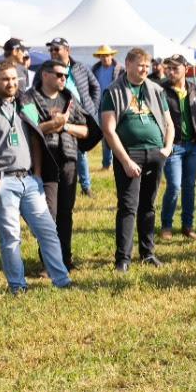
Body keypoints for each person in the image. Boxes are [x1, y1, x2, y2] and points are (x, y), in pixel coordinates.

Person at [0, 60, 72, 293]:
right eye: (5, 79)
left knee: (47, 231)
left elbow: (36, 138)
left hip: (29, 180)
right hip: (3, 181)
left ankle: (61, 280)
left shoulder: (24, 103)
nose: (11, 83)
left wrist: (37, 174)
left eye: (13, 78)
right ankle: (17, 286)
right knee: (11, 236)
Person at [100, 47, 174, 272]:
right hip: (130, 155)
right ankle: (123, 258)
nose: (144, 69)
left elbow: (169, 123)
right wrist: (125, 161)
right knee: (128, 207)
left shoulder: (156, 90)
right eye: (140, 65)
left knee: (148, 206)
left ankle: (147, 253)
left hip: (156, 153)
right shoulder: (113, 91)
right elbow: (108, 129)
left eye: (147, 66)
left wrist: (167, 148)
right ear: (128, 64)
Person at [29, 59, 94, 274]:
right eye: (58, 75)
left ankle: (65, 258)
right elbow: (30, 130)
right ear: (45, 75)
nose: (63, 79)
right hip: (44, 162)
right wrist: (52, 125)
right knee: (48, 214)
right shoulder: (30, 98)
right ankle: (48, 262)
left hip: (68, 161)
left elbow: (85, 130)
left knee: (66, 212)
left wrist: (65, 125)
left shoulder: (69, 98)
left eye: (65, 75)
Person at [158, 54, 196, 241]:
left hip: (193, 146)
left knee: (189, 186)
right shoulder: (161, 90)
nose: (171, 72)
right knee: (173, 185)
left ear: (185, 69)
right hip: (174, 147)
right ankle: (166, 225)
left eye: (175, 68)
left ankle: (187, 226)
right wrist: (165, 143)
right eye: (169, 68)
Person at [46, 37, 101, 201]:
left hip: (80, 115)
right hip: (57, 114)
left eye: (57, 49)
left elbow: (95, 86)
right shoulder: (46, 70)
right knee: (60, 150)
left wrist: (92, 107)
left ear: (67, 50)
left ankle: (85, 186)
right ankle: (60, 184)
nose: (53, 52)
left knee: (81, 151)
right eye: (51, 50)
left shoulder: (80, 68)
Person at [91, 45, 119, 175]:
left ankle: (118, 161)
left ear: (111, 55)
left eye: (107, 55)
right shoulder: (95, 70)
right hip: (102, 106)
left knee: (120, 134)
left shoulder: (120, 69)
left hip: (117, 106)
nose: (105, 58)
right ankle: (106, 164)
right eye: (102, 55)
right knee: (105, 135)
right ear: (99, 57)